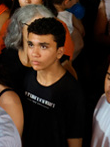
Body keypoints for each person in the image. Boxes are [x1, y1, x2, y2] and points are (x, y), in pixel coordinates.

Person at [22, 18, 84, 147]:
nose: (34, 53)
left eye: (43, 46)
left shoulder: (71, 91)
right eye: (31, 45)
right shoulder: (27, 78)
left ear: (60, 52)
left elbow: (75, 139)